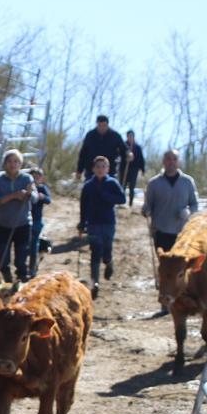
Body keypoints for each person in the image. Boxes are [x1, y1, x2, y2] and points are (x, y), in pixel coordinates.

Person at [77, 156, 126, 298]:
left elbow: (121, 199)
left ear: (108, 169)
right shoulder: (88, 185)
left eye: (103, 166)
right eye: (98, 166)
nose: (100, 169)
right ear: (93, 169)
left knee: (106, 250)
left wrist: (107, 196)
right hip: (93, 223)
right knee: (95, 251)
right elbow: (83, 206)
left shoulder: (112, 183)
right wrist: (82, 223)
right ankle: (95, 282)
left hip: (108, 222)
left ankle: (109, 263)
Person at [0, 149, 38, 285]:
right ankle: (8, 282)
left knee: (21, 260)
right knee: (3, 259)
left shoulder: (26, 178)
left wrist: (28, 194)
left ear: (20, 164)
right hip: (4, 224)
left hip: (23, 224)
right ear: (5, 163)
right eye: (10, 161)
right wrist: (14, 196)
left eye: (16, 161)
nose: (13, 164)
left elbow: (35, 198)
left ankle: (22, 287)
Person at [142, 149, 199, 252]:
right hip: (160, 232)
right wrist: (146, 210)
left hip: (182, 233)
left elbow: (194, 204)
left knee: (180, 266)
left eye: (175, 159)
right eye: (168, 159)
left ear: (179, 162)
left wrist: (188, 212)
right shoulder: (154, 183)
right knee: (165, 266)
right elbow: (148, 205)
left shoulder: (187, 182)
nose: (171, 162)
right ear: (163, 161)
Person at [75, 115, 127, 181]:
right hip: (91, 171)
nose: (102, 128)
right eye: (99, 125)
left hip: (109, 171)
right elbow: (83, 153)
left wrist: (128, 153)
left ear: (107, 125)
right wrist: (79, 170)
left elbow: (123, 149)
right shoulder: (90, 135)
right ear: (96, 124)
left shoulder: (115, 136)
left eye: (104, 125)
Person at [27, 167, 52, 277]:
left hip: (37, 220)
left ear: (41, 179)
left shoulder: (42, 188)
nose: (35, 179)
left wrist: (42, 197)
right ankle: (24, 266)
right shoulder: (27, 188)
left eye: (38, 177)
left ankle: (32, 268)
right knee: (24, 243)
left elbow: (48, 200)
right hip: (24, 219)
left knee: (34, 243)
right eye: (33, 177)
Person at [122, 130, 146, 207]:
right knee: (123, 185)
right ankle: (121, 202)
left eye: (131, 136)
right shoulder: (123, 146)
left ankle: (130, 203)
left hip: (133, 169)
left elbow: (141, 159)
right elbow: (119, 155)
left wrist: (142, 169)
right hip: (124, 169)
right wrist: (125, 158)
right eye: (129, 136)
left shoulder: (137, 147)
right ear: (127, 137)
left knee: (132, 187)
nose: (130, 138)